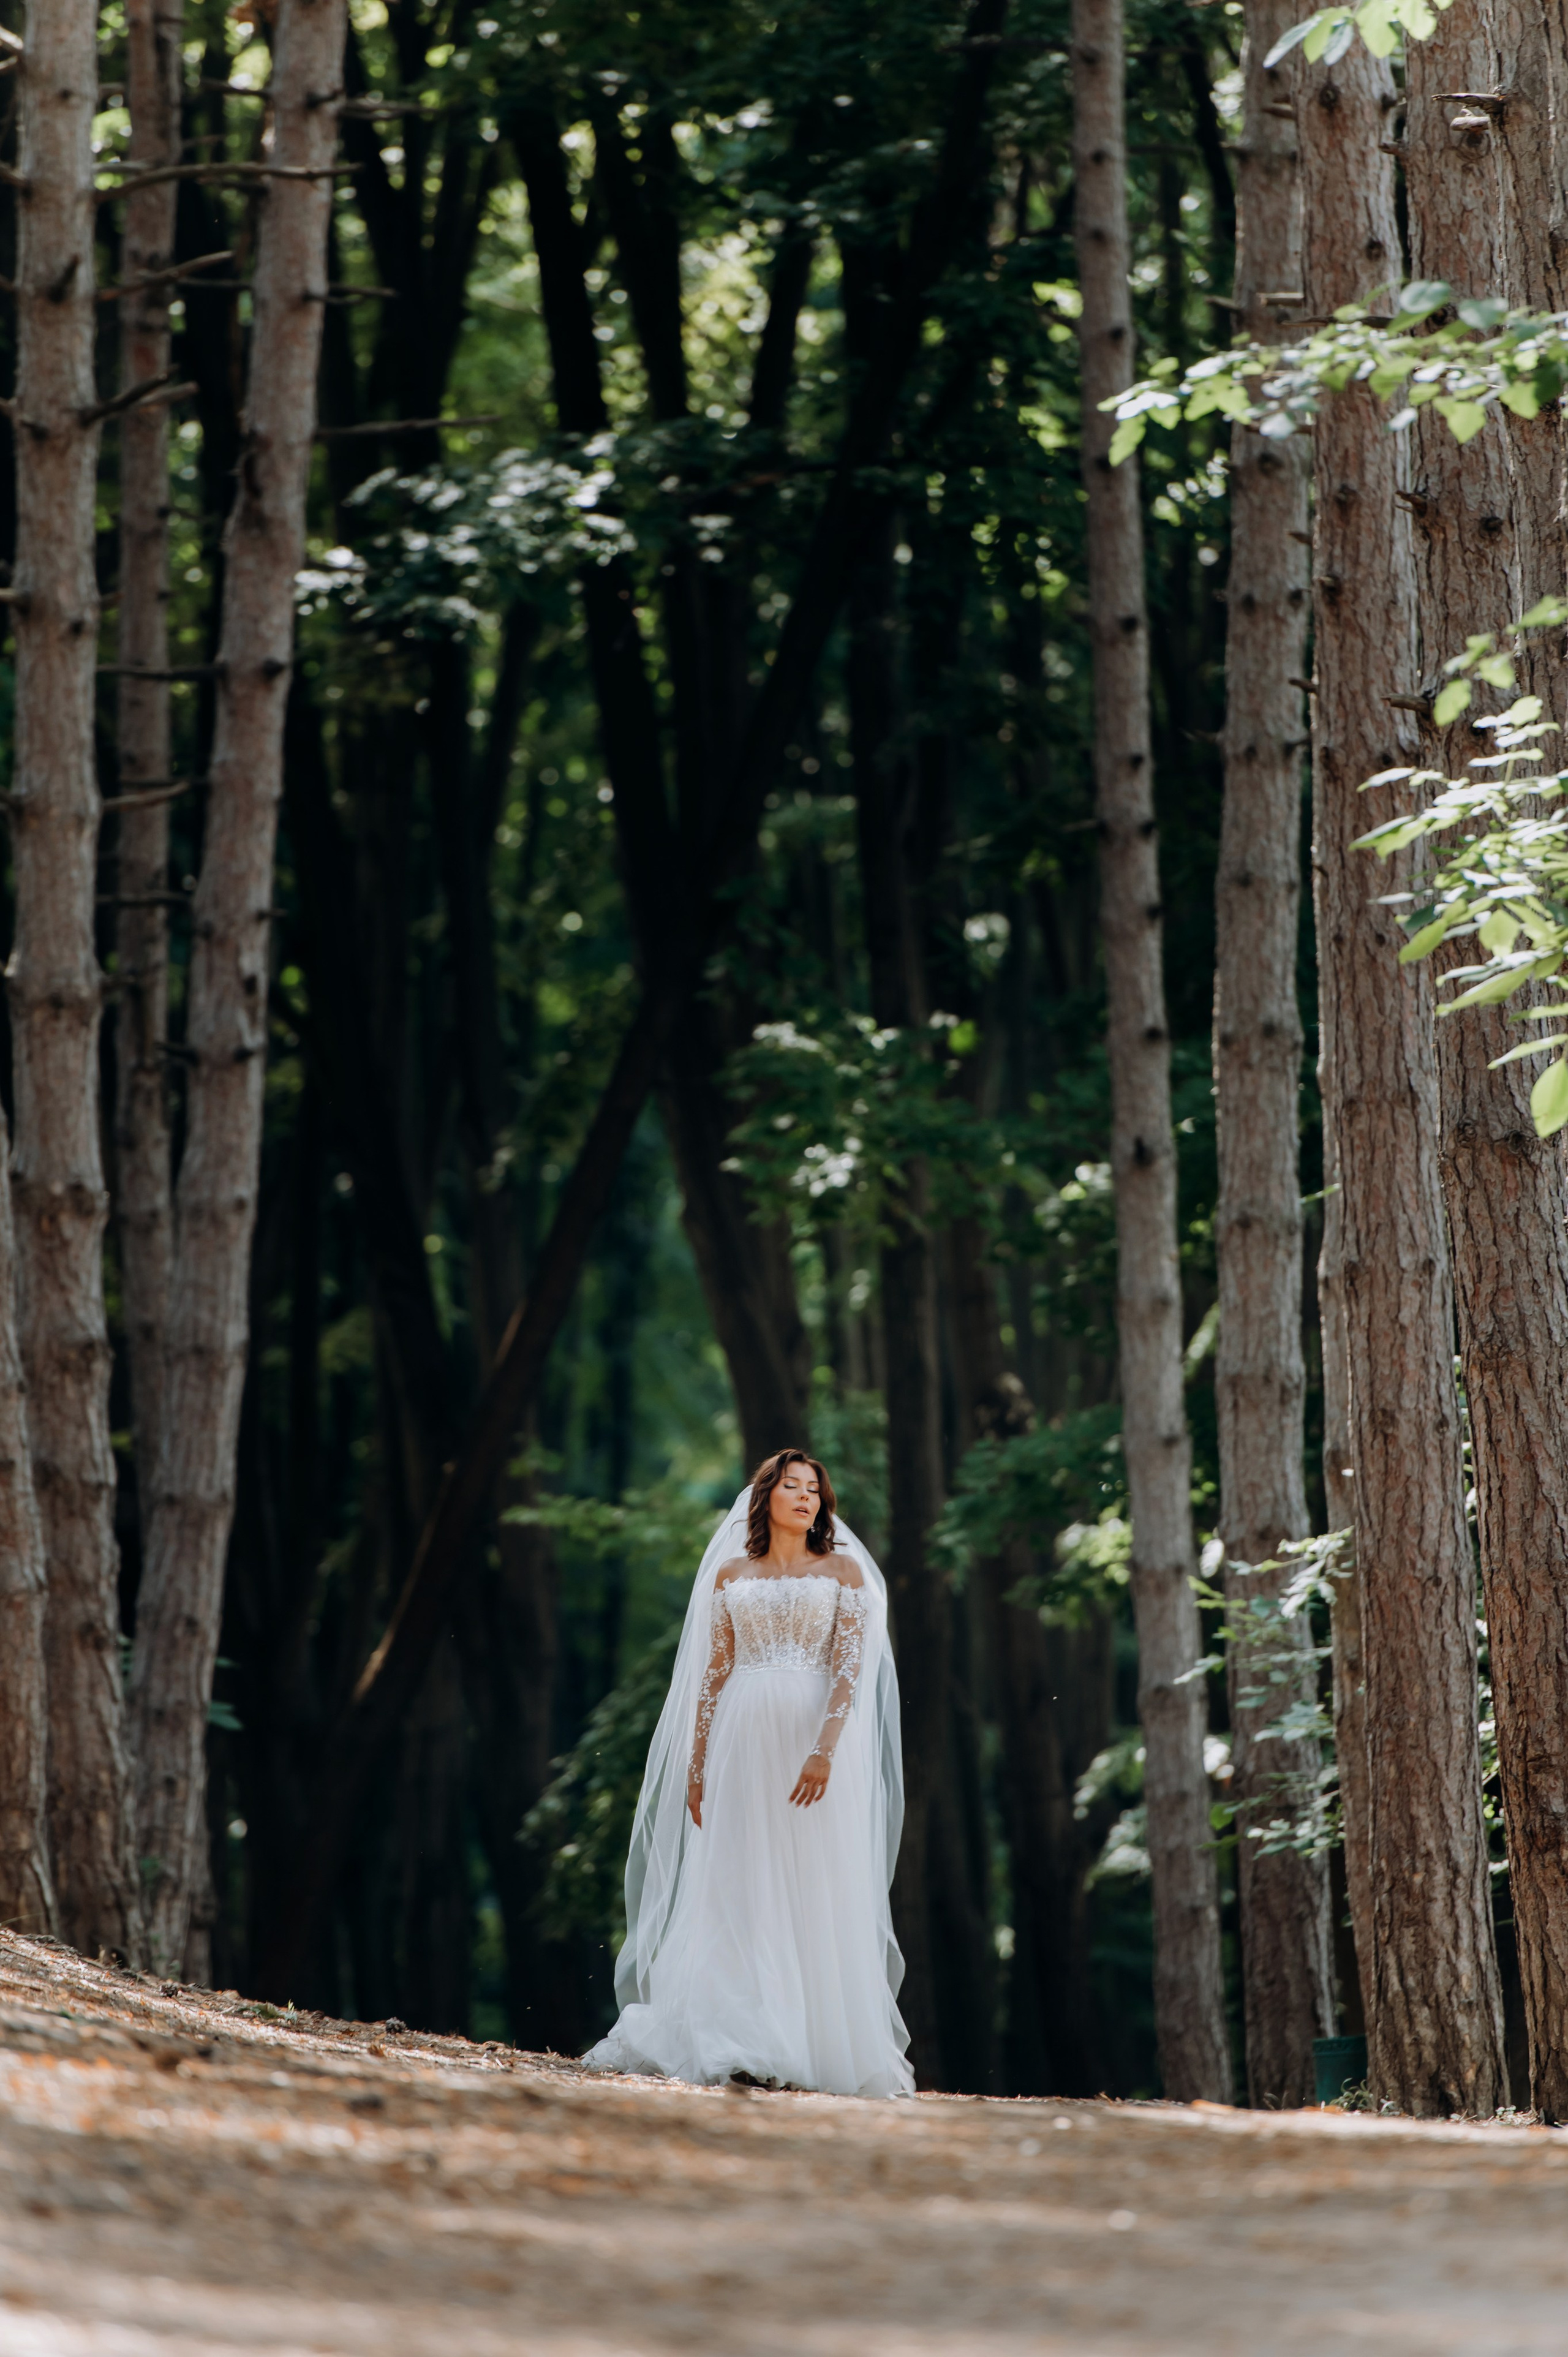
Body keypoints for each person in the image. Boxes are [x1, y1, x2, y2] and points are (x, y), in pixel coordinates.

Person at [583, 1449, 914, 2097]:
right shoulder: (730, 1573)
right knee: (739, 1878)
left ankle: (808, 2036)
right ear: (765, 1496)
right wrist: (698, 1763)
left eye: (813, 1489)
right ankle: (737, 2033)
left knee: (811, 1882)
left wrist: (824, 1747)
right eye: (790, 1486)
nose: (804, 1497)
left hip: (814, 1746)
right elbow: (714, 1674)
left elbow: (850, 1671)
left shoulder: (844, 1570)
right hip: (741, 1738)